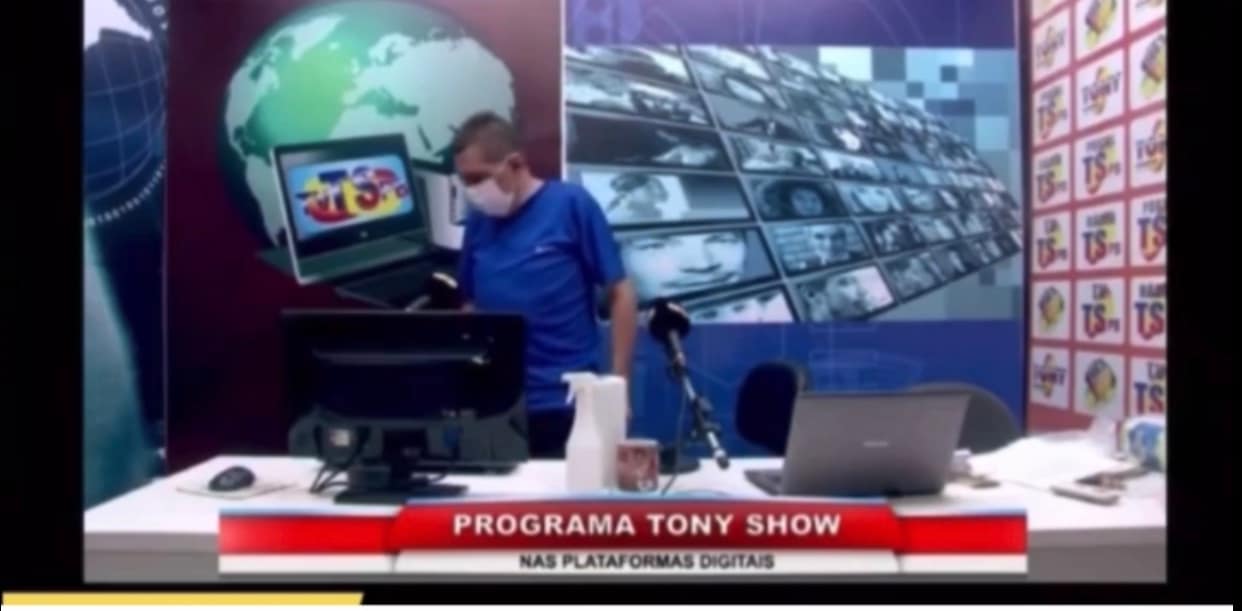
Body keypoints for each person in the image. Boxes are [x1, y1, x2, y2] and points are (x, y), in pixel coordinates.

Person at [453, 112, 638, 458]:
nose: (473, 192)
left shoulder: (571, 205)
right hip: (497, 407)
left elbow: (621, 293)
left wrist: (619, 383)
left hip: (566, 403)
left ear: (516, 163)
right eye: (465, 181)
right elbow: (469, 303)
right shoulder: (478, 223)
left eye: (479, 178)